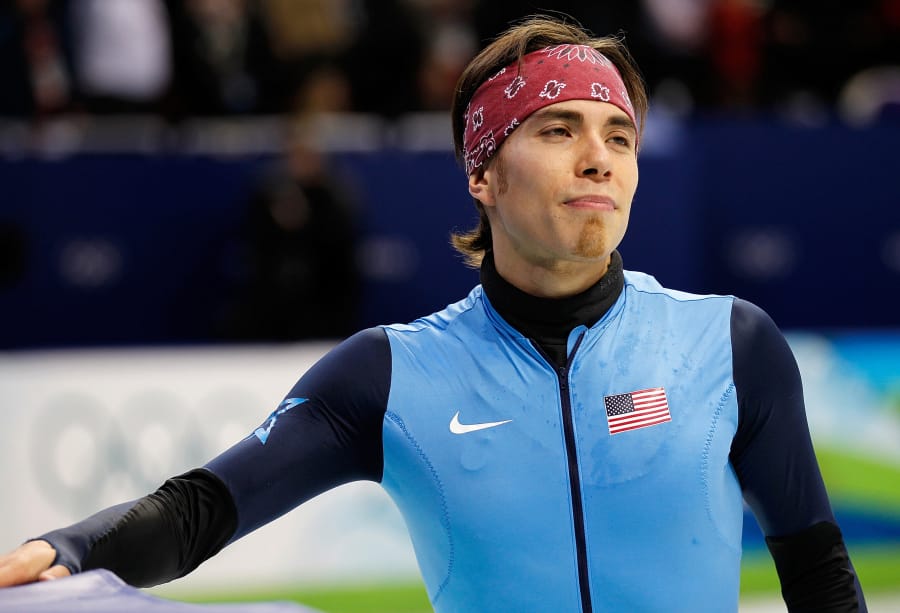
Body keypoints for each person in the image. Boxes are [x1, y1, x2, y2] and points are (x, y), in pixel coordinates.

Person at [0, 15, 867, 612]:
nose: (600, 157)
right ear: (481, 174)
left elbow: (818, 569)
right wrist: (67, 549)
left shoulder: (729, 342)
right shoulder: (389, 374)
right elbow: (201, 509)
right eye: (558, 130)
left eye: (620, 134)